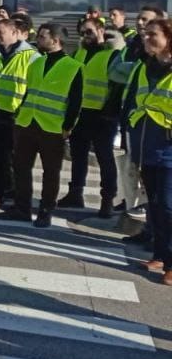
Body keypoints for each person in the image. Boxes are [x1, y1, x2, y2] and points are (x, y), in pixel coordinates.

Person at [8, 23, 83, 227]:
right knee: (21, 167)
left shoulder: (73, 67)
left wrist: (67, 127)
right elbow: (28, 91)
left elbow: (75, 102)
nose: (38, 40)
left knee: (51, 172)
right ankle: (22, 208)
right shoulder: (37, 62)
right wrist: (19, 114)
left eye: (42, 37)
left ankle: (45, 210)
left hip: (52, 127)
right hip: (27, 122)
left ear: (55, 40)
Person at [126, 19, 172, 283]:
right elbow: (134, 103)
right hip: (147, 147)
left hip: (168, 148)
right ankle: (161, 254)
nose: (146, 39)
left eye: (152, 34)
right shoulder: (145, 68)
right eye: (144, 35)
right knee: (154, 206)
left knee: (168, 206)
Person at [0, 13, 38, 211]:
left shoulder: (31, 56)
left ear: (15, 33)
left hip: (17, 115)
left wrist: (24, 111)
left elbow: (33, 87)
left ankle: (17, 196)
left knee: (17, 160)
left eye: (1, 33)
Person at [63, 17, 119, 215]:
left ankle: (107, 199)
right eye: (82, 33)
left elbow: (117, 87)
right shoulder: (79, 53)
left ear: (101, 30)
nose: (85, 36)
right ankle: (75, 194)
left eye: (89, 31)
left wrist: (109, 112)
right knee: (78, 155)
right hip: (80, 113)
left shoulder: (113, 54)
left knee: (105, 157)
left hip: (102, 115)